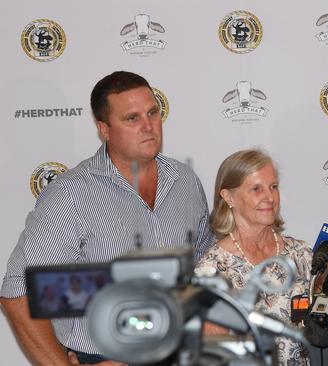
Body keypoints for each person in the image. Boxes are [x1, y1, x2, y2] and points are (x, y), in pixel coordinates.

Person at [0, 71, 213, 365]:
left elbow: (206, 270)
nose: (148, 126)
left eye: (153, 112)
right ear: (104, 129)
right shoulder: (70, 195)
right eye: (132, 118)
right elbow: (17, 292)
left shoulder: (185, 181)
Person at [195, 149, 311, 366]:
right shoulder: (212, 270)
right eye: (256, 189)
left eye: (273, 187)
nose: (269, 197)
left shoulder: (301, 254)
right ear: (228, 197)